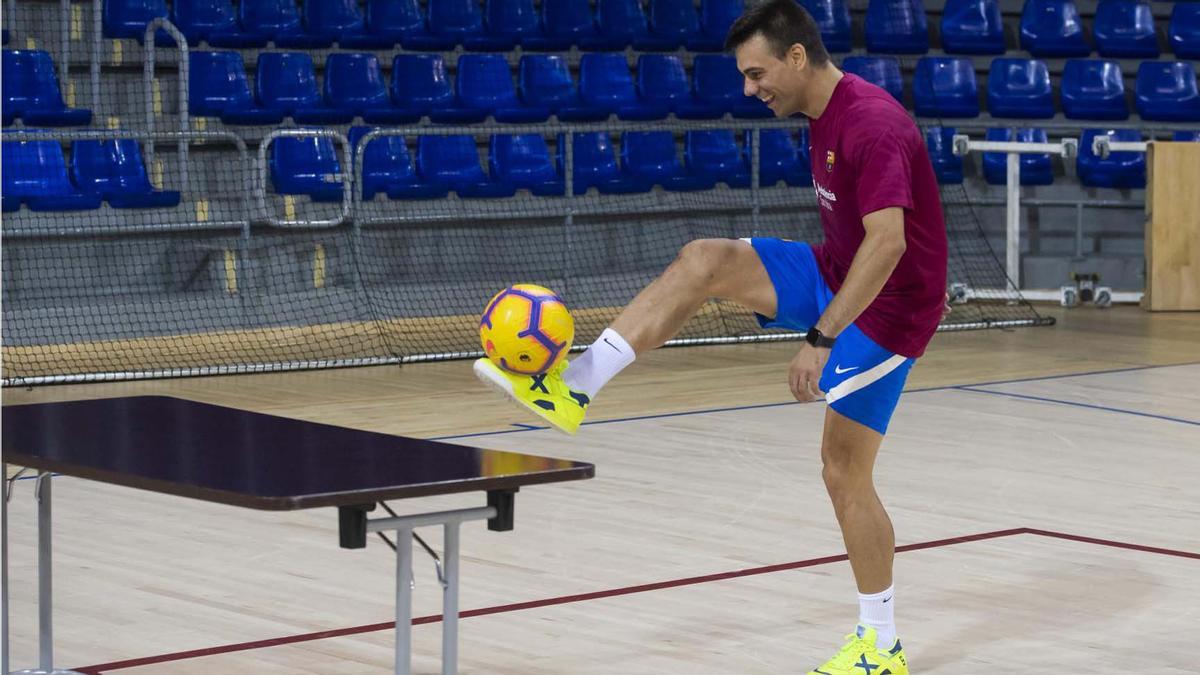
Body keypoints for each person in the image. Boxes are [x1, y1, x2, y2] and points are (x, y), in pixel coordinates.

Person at [475, 0, 948, 671]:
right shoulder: (823, 115)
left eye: (757, 74)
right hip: (835, 272)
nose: (751, 89)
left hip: (888, 309)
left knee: (843, 469)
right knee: (705, 259)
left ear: (795, 56)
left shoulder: (873, 123)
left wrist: (820, 335)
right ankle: (573, 387)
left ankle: (882, 642)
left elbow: (890, 243)